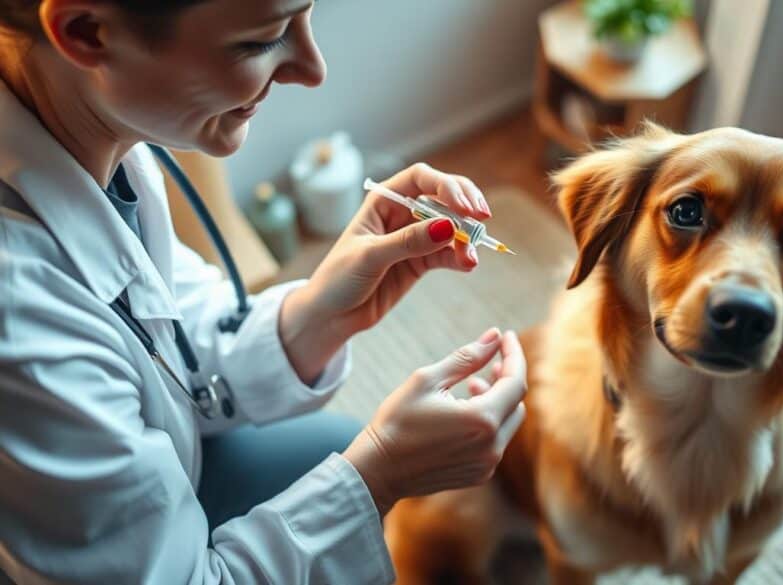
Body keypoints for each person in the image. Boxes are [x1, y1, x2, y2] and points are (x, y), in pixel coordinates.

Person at [0, 0, 528, 583]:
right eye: (262, 40)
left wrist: (315, 313)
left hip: (170, 460)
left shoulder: (86, 125)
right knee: (348, 457)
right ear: (86, 32)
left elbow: (159, 322)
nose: (312, 67)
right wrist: (384, 473)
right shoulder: (23, 330)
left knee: (334, 442)